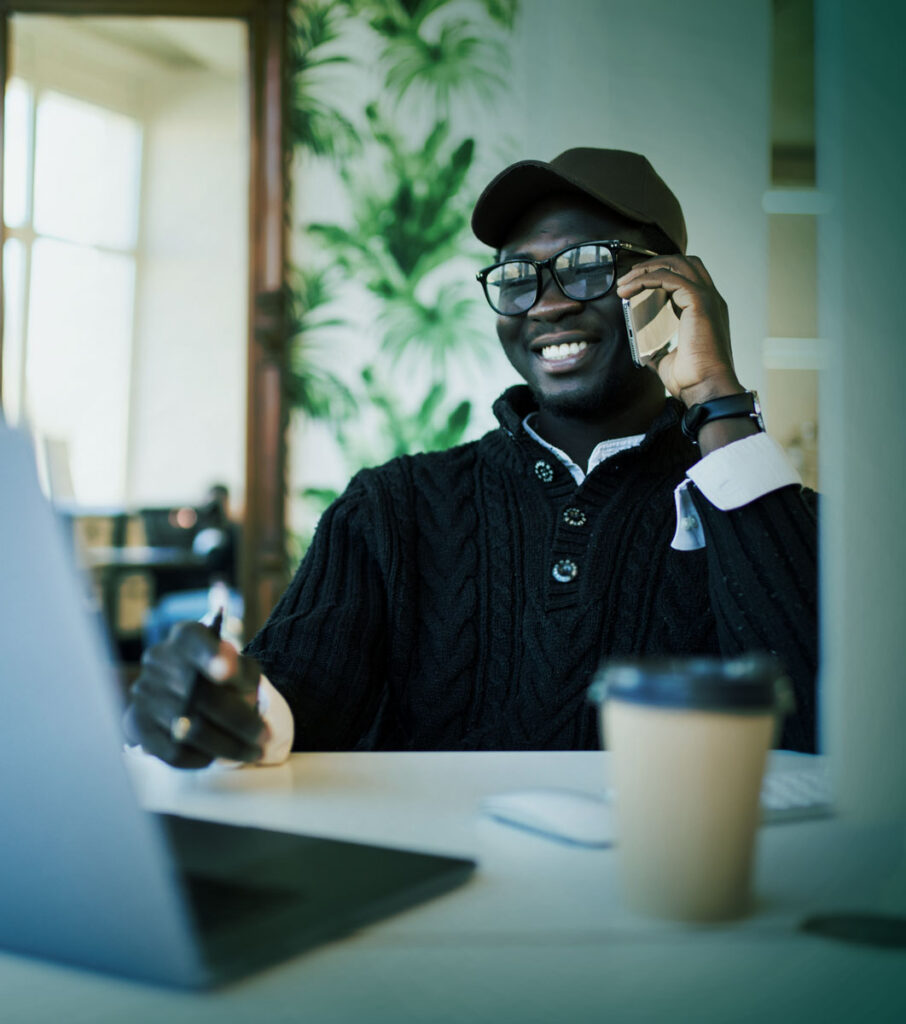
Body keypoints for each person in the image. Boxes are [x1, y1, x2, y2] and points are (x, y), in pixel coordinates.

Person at [125, 147, 817, 768]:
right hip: (440, 897)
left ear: (671, 284)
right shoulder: (393, 507)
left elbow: (820, 720)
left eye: (585, 267)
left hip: (669, 895)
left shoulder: (758, 503)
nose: (544, 305)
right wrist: (223, 704)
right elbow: (293, 702)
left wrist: (716, 398)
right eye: (517, 277)